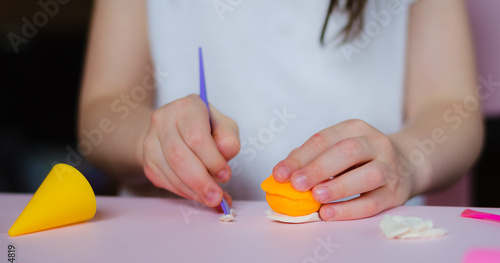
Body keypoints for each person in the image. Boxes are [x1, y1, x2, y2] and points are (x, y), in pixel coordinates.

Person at [78, 0, 483, 220]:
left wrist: (408, 160)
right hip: (183, 246)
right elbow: (102, 110)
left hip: (369, 242)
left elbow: (451, 109)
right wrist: (150, 143)